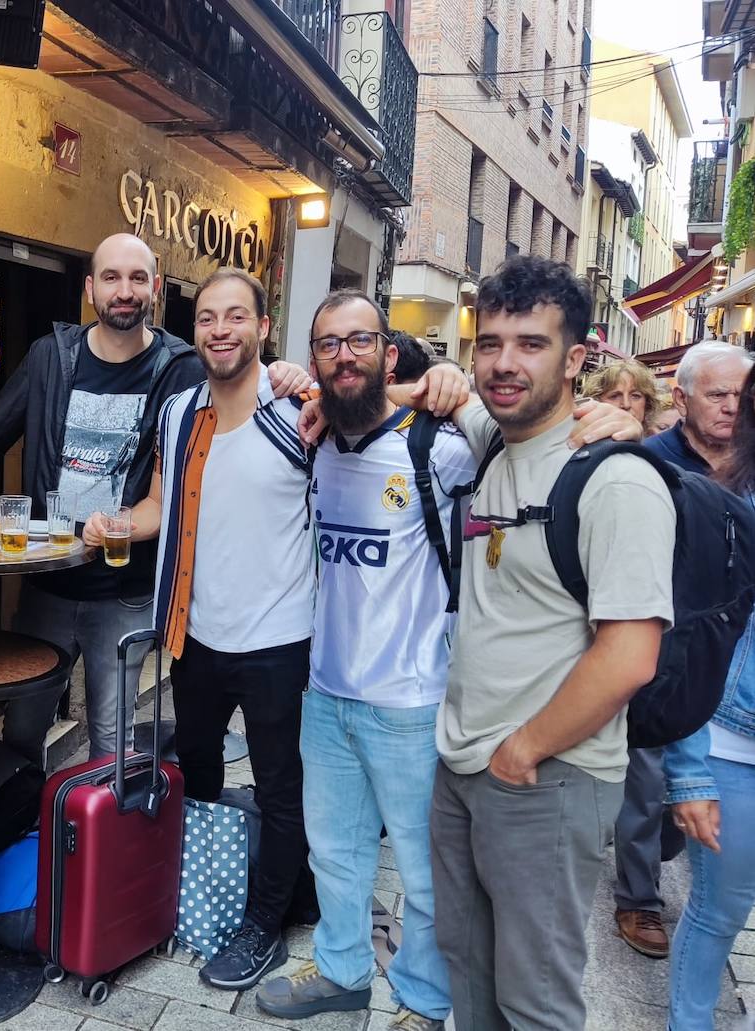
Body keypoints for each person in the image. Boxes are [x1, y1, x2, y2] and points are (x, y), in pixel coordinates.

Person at [432, 255, 676, 1030]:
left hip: (546, 777)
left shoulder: (614, 480)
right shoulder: (497, 440)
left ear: (576, 359)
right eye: (491, 341)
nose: (505, 363)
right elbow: (419, 389)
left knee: (535, 1002)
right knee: (468, 978)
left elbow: (631, 654)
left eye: (531, 344)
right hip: (466, 767)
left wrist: (523, 748)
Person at [82, 266, 315, 989]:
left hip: (279, 638)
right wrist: (119, 522)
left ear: (262, 327)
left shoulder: (295, 407)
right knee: (204, 772)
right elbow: (161, 501)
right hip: (196, 634)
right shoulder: (181, 411)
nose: (220, 330)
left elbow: (368, 416)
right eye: (208, 317)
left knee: (280, 786)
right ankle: (222, 891)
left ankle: (267, 921)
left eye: (235, 316)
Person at [255, 292, 475, 1030]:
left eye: (359, 340)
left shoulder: (437, 449)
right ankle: (344, 970)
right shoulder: (313, 441)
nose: (343, 354)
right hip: (327, 693)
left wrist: (453, 383)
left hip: (411, 701)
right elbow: (247, 391)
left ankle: (424, 998)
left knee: (424, 869)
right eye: (327, 344)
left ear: (388, 352)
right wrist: (290, 377)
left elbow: (517, 439)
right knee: (337, 854)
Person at [0, 233, 203, 764]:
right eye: (111, 277)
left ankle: (103, 843)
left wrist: (282, 378)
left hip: (125, 590)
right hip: (49, 581)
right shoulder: (52, 356)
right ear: (90, 288)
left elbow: (232, 406)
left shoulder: (180, 368)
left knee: (112, 738)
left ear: (155, 289)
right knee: (22, 727)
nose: (125, 290)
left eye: (138, 278)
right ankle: (25, 831)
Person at [579, 356, 683, 958]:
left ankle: (640, 889)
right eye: (611, 393)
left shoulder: (662, 463)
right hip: (588, 637)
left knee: (647, 774)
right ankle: (637, 896)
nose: (622, 404)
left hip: (654, 640)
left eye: (634, 397)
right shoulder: (576, 455)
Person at [664, 362, 755, 1029]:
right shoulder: (729, 504)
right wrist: (688, 770)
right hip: (730, 741)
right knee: (720, 909)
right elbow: (690, 637)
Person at [649, 340, 753, 475]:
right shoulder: (648, 459)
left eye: (741, 395)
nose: (732, 408)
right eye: (717, 395)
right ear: (681, 399)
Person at [581, 359, 661, 434]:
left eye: (635, 396)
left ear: (647, 403)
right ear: (597, 401)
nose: (626, 405)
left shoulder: (654, 447)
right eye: (614, 396)